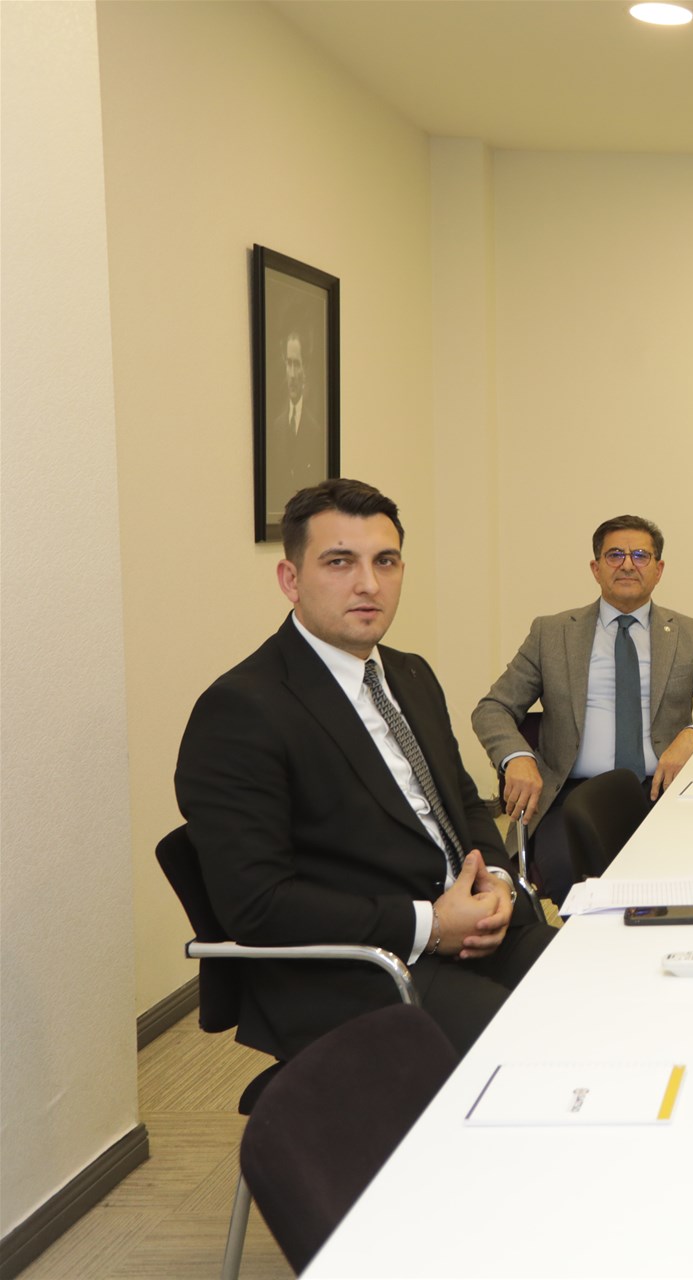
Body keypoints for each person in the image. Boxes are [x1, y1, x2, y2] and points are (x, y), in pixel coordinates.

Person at [176, 479, 554, 1060]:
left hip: (471, 931)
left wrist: (497, 882)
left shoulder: (410, 673)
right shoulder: (242, 710)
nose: (369, 584)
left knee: (602, 992)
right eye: (339, 562)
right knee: (530, 1050)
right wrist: (431, 924)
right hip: (360, 966)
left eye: (385, 561)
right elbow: (257, 903)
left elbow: (460, 801)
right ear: (290, 580)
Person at [473, 515, 693, 891]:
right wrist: (518, 757)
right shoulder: (552, 633)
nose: (627, 564)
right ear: (596, 569)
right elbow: (492, 708)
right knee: (576, 882)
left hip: (662, 791)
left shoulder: (691, 634)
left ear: (658, 570)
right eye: (614, 555)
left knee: (687, 875)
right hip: (570, 795)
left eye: (640, 555)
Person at [264, 329, 326, 520]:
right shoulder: (276, 426)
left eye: (296, 364)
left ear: (305, 369)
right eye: (288, 364)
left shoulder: (316, 429)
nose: (291, 374)